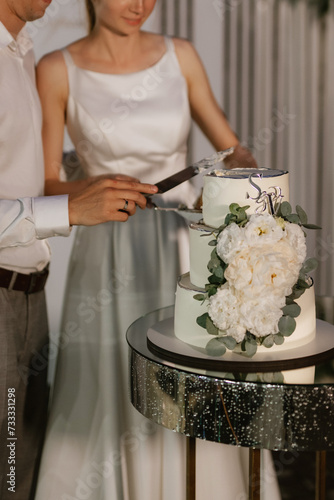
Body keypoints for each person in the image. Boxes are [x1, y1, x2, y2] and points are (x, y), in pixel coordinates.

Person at [33, 1, 280, 499]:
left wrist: (243, 168)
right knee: (112, 378)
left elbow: (230, 148)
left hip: (180, 246)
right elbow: (43, 182)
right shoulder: (56, 68)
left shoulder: (181, 56)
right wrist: (97, 186)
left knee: (189, 369)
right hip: (106, 247)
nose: (139, 5)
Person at [0, 2, 159, 500]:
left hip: (32, 295)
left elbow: (23, 178)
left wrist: (96, 189)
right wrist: (67, 213)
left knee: (22, 470)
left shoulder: (21, 51)